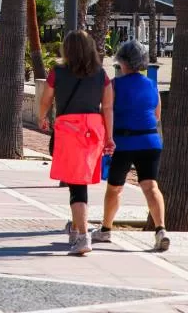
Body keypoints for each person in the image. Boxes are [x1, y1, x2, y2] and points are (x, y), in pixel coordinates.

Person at [38, 30, 114, 257]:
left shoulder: (57, 72)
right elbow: (108, 107)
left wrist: (42, 117)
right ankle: (74, 228)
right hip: (92, 132)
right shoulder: (102, 75)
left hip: (68, 131)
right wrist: (109, 137)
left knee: (76, 186)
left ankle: (81, 235)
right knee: (79, 182)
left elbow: (46, 98)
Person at [94, 40, 170, 252]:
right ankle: (161, 230)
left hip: (124, 142)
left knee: (115, 188)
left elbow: (106, 111)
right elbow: (156, 116)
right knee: (151, 186)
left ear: (122, 62)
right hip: (150, 141)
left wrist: (107, 138)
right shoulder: (151, 85)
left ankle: (106, 229)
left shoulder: (115, 85)